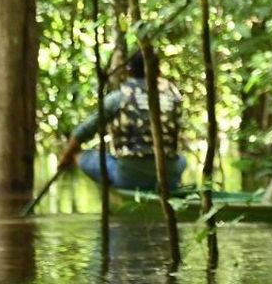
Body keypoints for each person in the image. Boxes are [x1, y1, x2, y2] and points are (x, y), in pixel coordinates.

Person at [56, 52, 186, 191]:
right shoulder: (173, 96)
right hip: (169, 177)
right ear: (158, 71)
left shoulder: (119, 98)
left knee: (83, 156)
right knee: (183, 160)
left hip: (129, 177)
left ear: (128, 71)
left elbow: (82, 132)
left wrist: (66, 157)